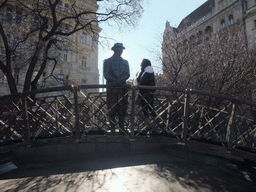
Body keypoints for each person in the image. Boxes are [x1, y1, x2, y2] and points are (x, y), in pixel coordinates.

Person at [103, 43, 130, 134]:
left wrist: (120, 81)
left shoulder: (125, 62)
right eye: (119, 49)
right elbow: (106, 74)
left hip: (122, 89)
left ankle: (122, 128)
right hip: (112, 88)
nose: (121, 51)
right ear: (114, 50)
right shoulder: (107, 61)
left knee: (122, 108)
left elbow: (127, 74)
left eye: (122, 49)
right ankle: (112, 128)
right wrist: (115, 81)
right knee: (111, 108)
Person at [136, 59, 156, 133]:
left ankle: (146, 127)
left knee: (144, 110)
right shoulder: (151, 71)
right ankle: (153, 126)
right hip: (151, 93)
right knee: (151, 108)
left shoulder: (144, 71)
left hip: (144, 93)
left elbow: (139, 80)